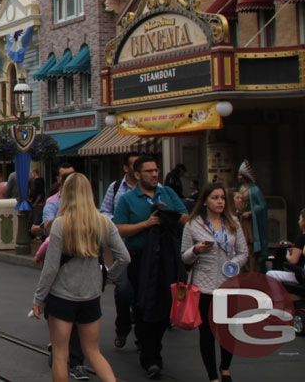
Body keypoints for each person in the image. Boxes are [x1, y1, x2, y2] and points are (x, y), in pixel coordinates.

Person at [33, 173, 128, 382]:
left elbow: (50, 268)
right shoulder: (104, 223)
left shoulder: (60, 224)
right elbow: (124, 257)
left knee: (60, 355)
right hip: (91, 296)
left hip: (62, 296)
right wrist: (106, 278)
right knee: (93, 352)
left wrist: (38, 299)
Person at [113, 155, 189, 379]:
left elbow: (185, 217)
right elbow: (118, 229)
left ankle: (152, 346)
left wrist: (171, 216)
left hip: (165, 258)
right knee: (143, 306)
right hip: (139, 259)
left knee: (165, 306)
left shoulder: (167, 193)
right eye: (149, 171)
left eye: (156, 170)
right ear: (137, 175)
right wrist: (145, 224)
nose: (155, 175)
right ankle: (151, 357)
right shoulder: (128, 199)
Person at [181, 182, 248, 382]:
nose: (220, 202)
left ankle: (225, 368)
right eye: (215, 198)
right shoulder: (193, 224)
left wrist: (234, 264)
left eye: (222, 198)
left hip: (229, 284)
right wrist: (195, 250)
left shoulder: (233, 222)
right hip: (204, 286)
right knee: (208, 333)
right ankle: (212, 376)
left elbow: (244, 252)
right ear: (205, 202)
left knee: (228, 331)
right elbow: (184, 257)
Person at [99, 152, 140, 350]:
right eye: (134, 165)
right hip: (122, 245)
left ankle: (143, 336)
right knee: (123, 290)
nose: (138, 169)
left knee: (144, 293)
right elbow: (104, 211)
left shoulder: (153, 188)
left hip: (146, 248)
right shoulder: (115, 188)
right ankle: (122, 327)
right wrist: (116, 223)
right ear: (126, 168)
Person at [236, 159, 268, 272]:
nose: (238, 177)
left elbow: (262, 205)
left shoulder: (254, 190)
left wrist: (251, 212)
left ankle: (252, 270)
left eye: (240, 174)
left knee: (251, 247)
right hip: (241, 221)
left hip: (250, 223)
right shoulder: (241, 189)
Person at [267, 207, 305, 285]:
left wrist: (288, 254)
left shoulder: (301, 238)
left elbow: (293, 260)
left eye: (299, 219)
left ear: (303, 221)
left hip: (300, 276)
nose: (298, 222)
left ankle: (278, 297)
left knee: (270, 274)